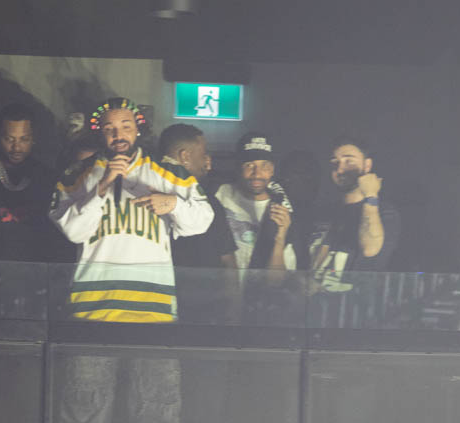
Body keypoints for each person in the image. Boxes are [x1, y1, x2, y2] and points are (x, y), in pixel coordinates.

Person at [49, 96, 213, 423]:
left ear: (138, 129)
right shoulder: (79, 172)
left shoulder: (168, 171)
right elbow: (71, 230)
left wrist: (172, 203)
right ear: (100, 133)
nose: (117, 134)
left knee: (159, 411)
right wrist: (103, 185)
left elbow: (203, 220)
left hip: (154, 314)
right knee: (82, 412)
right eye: (109, 128)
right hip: (93, 313)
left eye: (125, 126)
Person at [157, 123, 236, 323]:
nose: (207, 162)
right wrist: (232, 312)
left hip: (165, 308)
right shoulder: (208, 204)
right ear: (185, 156)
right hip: (194, 312)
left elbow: (228, 261)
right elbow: (228, 261)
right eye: (203, 154)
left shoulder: (140, 193)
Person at [307, 135, 399, 290]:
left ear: (367, 165)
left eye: (349, 161)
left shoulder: (385, 212)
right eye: (335, 162)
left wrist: (371, 196)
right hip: (314, 301)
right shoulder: (324, 212)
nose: (340, 169)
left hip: (353, 302)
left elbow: (370, 249)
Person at [0, 102, 58, 264]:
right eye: (9, 139)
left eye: (24, 139)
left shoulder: (46, 178)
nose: (16, 147)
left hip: (35, 270)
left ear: (34, 139)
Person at [215, 133, 295, 278]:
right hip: (220, 287)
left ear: (272, 170)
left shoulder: (280, 209)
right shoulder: (222, 194)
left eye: (265, 166)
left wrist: (280, 237)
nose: (257, 174)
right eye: (249, 165)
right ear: (239, 168)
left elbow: (276, 281)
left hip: (258, 290)